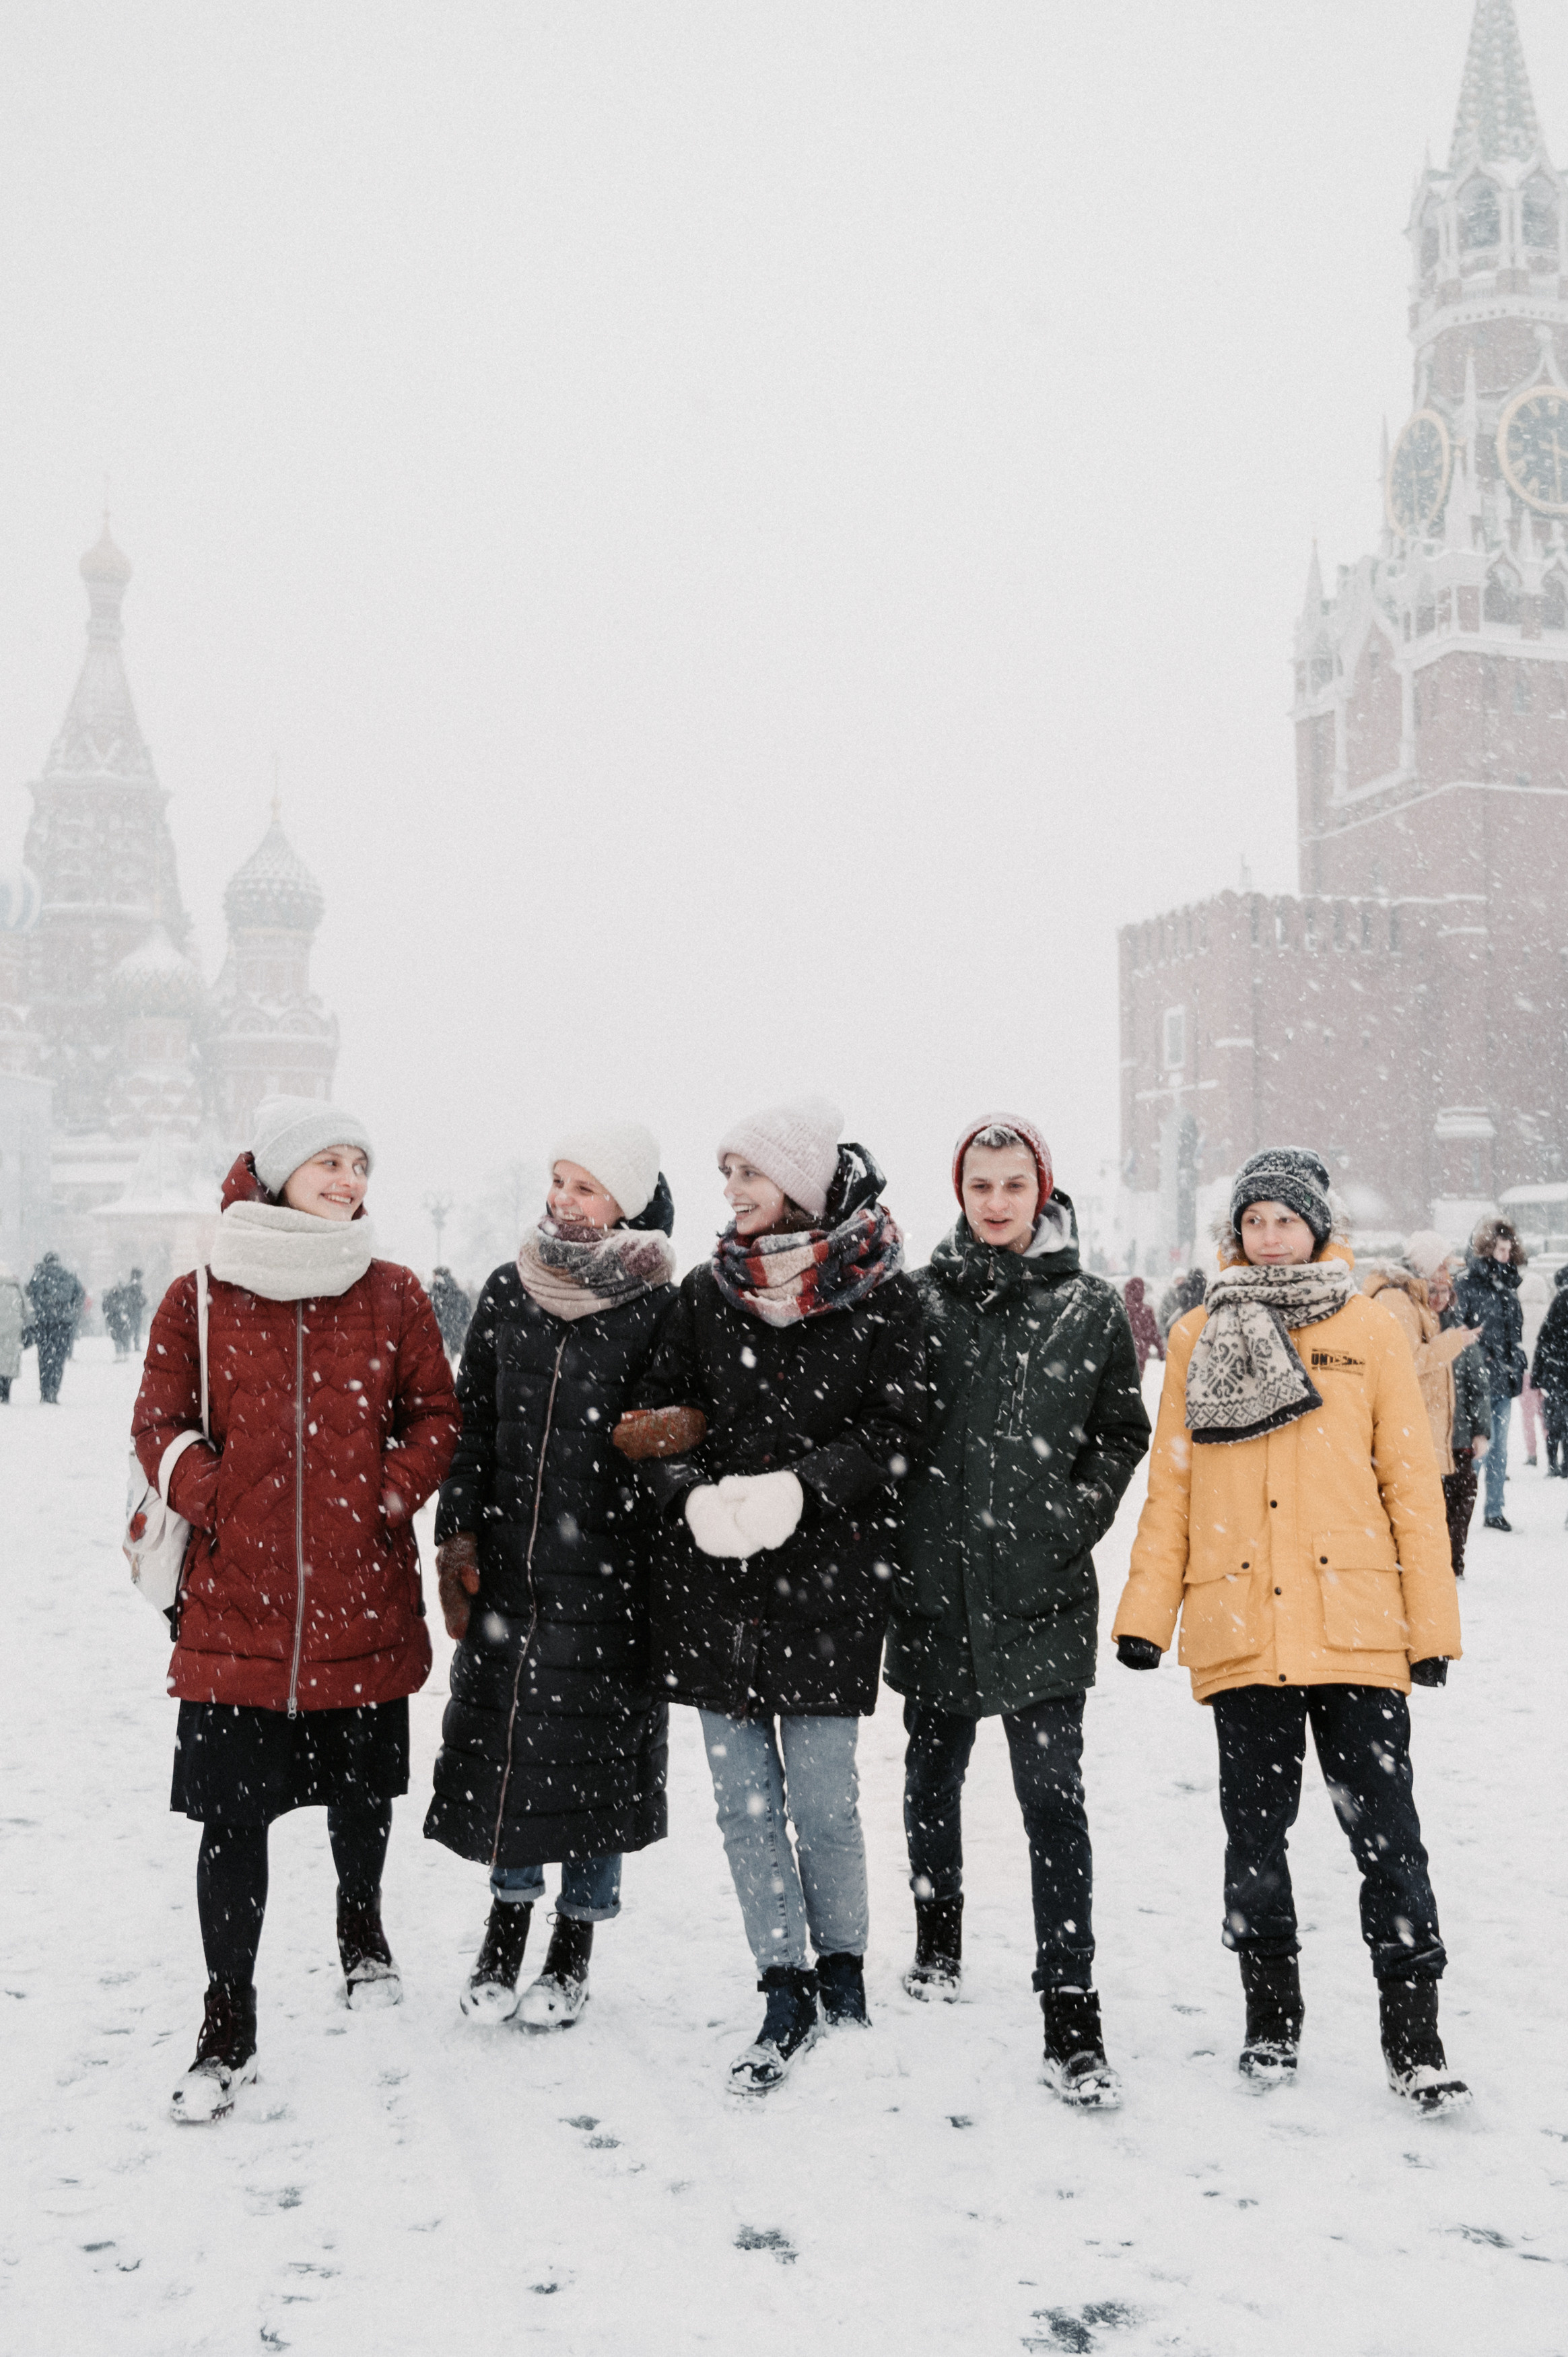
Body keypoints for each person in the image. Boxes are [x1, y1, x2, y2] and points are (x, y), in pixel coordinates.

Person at [1112, 1148, 1468, 2113]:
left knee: (1388, 1840)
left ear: (1316, 1224)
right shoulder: (1197, 1333)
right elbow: (1173, 1487)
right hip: (1241, 1626)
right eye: (1254, 1221)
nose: (1269, 1236)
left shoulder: (1370, 1330)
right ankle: (1270, 2021)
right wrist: (1146, 1615)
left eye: (1284, 1219)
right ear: (1236, 1232)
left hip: (1357, 1627)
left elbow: (1409, 1486)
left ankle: (1414, 2038)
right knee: (1254, 1840)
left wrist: (1430, 1626)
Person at [132, 1094, 460, 2123]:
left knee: (362, 1791)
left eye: (361, 1164)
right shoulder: (201, 1294)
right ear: (279, 1172)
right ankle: (228, 2013)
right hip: (237, 1607)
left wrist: (391, 1491)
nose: (351, 1181)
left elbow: (436, 1414)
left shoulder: (395, 1292)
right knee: (231, 1816)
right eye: (329, 1162)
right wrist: (211, 1493)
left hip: (361, 1590)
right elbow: (159, 1422)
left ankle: (360, 1925)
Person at [630, 1098, 927, 2094]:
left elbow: (896, 1432)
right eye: (725, 1177)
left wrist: (806, 1487)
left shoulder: (882, 1297)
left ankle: (842, 1964)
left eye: (750, 1174)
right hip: (718, 1589)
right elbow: (657, 1428)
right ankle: (782, 1977)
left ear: (800, 1182)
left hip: (831, 1587)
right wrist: (692, 1501)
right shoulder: (705, 1297)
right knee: (744, 1807)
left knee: (826, 1802)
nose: (733, 1193)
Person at [885, 1117, 1150, 2108]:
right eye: (979, 1186)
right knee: (930, 1776)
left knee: (1052, 1804)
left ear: (1042, 1190)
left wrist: (1069, 1517)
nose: (995, 1203)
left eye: (1012, 1186)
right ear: (958, 1194)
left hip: (1040, 1593)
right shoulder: (918, 1303)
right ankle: (938, 1937)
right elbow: (892, 1432)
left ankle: (1071, 2013)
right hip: (937, 1589)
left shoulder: (1086, 1307)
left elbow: (1121, 1432)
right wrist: (915, 1538)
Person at [425, 1124, 677, 2028]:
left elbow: (674, 1443)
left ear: (628, 1203)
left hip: (608, 1580)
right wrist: (459, 1536)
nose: (565, 1199)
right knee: (513, 1759)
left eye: (587, 1186)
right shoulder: (507, 1288)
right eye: (559, 1182)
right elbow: (474, 1425)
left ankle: (573, 1947)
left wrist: (661, 1464)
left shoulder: (659, 1304)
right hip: (512, 1571)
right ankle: (503, 1930)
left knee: (595, 1768)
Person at [1455, 1216, 1528, 1532]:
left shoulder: (1508, 1286)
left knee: (1499, 1451)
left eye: (1509, 1250)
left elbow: (1514, 1332)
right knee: (1478, 1449)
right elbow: (1458, 1329)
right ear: (1487, 1248)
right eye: (1500, 1249)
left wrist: (1514, 1362)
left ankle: (1494, 1510)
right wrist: (1480, 1357)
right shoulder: (1467, 1284)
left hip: (1504, 1378)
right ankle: (1461, 1506)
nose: (1506, 1255)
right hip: (1478, 1382)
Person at [1427, 1254, 1490, 1576]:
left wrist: (1482, 1432)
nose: (1438, 1299)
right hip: (1425, 1439)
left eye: (1444, 1291)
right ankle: (1436, 1563)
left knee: (1462, 1501)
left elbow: (1479, 1387)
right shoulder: (1416, 1333)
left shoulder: (1462, 1336)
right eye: (1432, 1291)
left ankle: (1454, 1561)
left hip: (1460, 1437)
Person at [26, 1249, 84, 1403]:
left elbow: (31, 1294)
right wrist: (71, 1312)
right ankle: (54, 1390)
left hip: (45, 1324)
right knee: (59, 1359)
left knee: (45, 1359)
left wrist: (41, 1309)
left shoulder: (40, 1276)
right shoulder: (68, 1276)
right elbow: (80, 1295)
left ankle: (45, 1392)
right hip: (64, 1325)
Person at [1530, 1265, 1568, 1480]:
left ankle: (1553, 1463)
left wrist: (1537, 1378)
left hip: (1556, 1372)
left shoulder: (1559, 1302)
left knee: (1554, 1422)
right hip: (1561, 1370)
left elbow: (1543, 1341)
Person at [1518, 1265, 1549, 1467]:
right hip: (1545, 1372)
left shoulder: (1519, 1312)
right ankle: (1551, 1447)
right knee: (1546, 1413)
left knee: (1527, 1415)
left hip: (1526, 1373)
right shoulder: (1548, 1312)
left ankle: (1532, 1453)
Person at [429, 1264, 474, 1364]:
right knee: (457, 1362)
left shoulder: (435, 1293)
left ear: (437, 1276)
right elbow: (467, 1315)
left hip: (441, 1334)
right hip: (458, 1334)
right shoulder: (460, 1294)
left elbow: (431, 1314)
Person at [1122, 1274, 1164, 1380]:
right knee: (1136, 1384)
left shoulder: (1121, 1309)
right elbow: (1154, 1332)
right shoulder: (1146, 1310)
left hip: (1123, 1354)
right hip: (1141, 1352)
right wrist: (1161, 1350)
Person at [1157, 1266, 1206, 1339]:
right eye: (1178, 1279)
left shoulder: (1188, 1293)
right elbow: (1163, 1316)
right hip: (1177, 1330)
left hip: (1183, 1329)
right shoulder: (1170, 1295)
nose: (1180, 1281)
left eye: (1182, 1279)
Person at [0, 1261, 24, 1403]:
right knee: (8, 1362)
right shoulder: (16, 1288)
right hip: (12, 1332)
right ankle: (5, 1393)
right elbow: (28, 1310)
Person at [103, 1278, 133, 1361]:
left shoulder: (110, 1297)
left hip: (117, 1320)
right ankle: (124, 1354)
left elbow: (106, 1308)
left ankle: (120, 1354)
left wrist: (109, 1316)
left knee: (118, 1337)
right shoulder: (125, 1297)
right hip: (122, 1319)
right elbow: (130, 1308)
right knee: (123, 1337)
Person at [124, 1267, 147, 1351]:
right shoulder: (136, 1285)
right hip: (135, 1310)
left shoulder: (130, 1284)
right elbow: (142, 1298)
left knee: (131, 1328)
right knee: (136, 1328)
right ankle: (135, 1346)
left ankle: (128, 1346)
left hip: (131, 1310)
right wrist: (141, 1302)